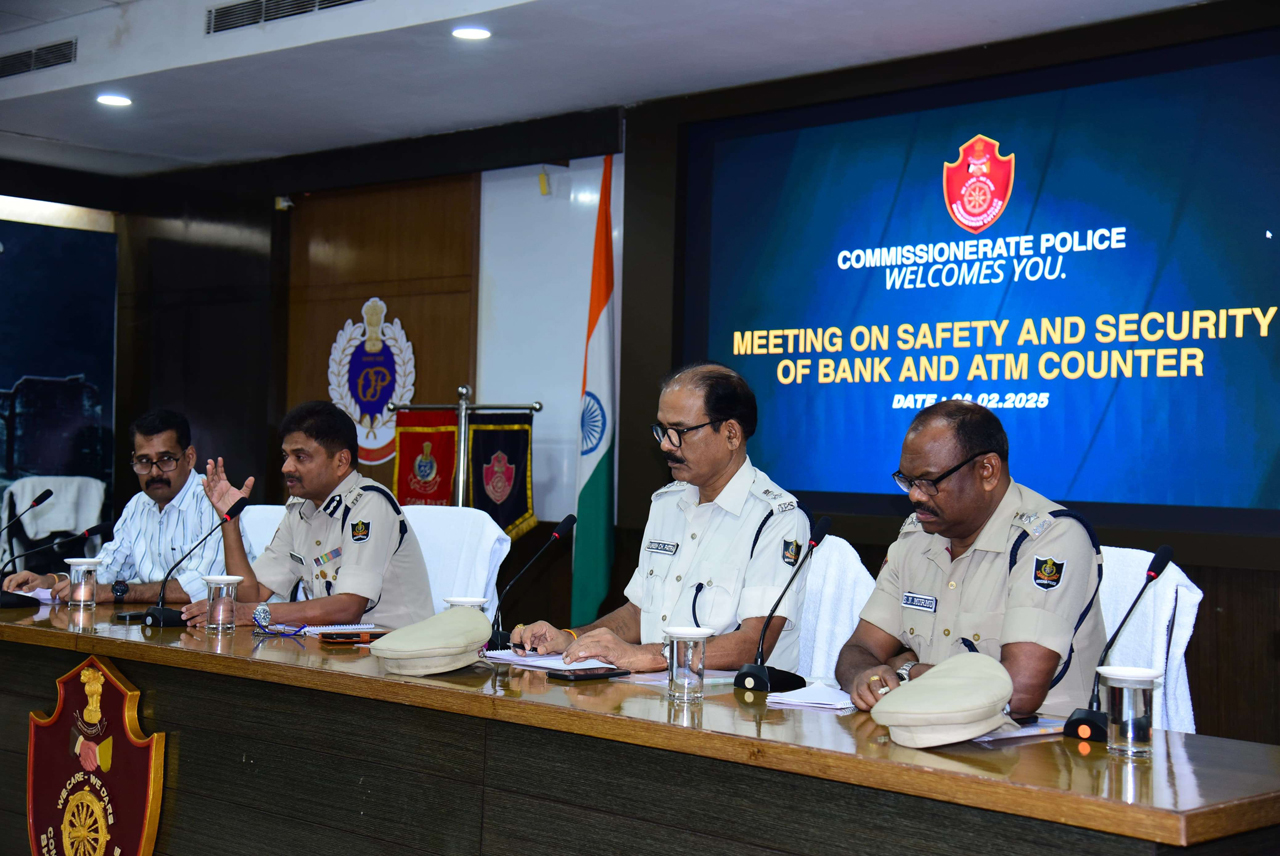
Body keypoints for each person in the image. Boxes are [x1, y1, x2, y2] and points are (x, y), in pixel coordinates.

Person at [511, 362, 810, 672]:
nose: (666, 445)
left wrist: (646, 656)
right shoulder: (666, 504)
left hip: (734, 697)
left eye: (679, 432)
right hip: (656, 691)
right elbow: (638, 613)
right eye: (663, 431)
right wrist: (572, 638)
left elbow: (753, 643)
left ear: (731, 434)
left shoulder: (776, 520)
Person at [835, 400, 1105, 717]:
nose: (914, 495)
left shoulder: (1049, 539)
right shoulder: (915, 538)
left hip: (1042, 737)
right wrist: (865, 676)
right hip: (929, 727)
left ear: (987, 471)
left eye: (929, 482)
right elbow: (858, 650)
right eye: (907, 481)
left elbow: (1018, 693)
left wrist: (907, 671)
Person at [181, 401, 434, 630]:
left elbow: (348, 608)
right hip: (336, 648)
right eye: (285, 456)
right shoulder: (300, 510)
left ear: (341, 462)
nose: (286, 467)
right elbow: (252, 595)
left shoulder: (369, 504)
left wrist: (254, 614)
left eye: (300, 457)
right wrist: (230, 520)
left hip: (395, 649)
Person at [3, 409, 252, 604]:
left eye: (166, 460)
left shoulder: (212, 504)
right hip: (153, 624)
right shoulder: (138, 505)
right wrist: (51, 581)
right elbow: (108, 568)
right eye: (144, 461)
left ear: (189, 458)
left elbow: (202, 586)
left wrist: (118, 592)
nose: (154, 472)